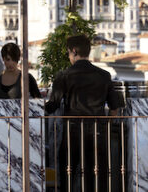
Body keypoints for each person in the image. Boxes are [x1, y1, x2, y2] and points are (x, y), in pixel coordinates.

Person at [45, 35, 126, 192]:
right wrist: (105, 125)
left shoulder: (64, 76)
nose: (69, 56)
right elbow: (114, 108)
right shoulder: (104, 76)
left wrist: (36, 105)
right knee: (97, 177)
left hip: (73, 132)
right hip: (98, 131)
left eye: (69, 53)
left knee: (67, 174)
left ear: (74, 51)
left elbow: (52, 105)